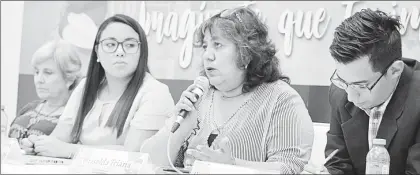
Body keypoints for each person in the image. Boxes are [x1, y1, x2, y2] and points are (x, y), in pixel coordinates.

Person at [140, 7, 314, 173]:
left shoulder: (281, 99)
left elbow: (289, 168)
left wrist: (232, 166)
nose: (208, 55)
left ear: (246, 53)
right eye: (205, 46)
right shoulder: (200, 96)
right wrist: (178, 131)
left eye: (218, 45)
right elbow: (147, 163)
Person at [19, 14, 175, 158]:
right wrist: (38, 145)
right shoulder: (85, 87)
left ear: (142, 52)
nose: (120, 51)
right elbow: (59, 138)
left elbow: (134, 155)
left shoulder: (155, 93)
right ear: (97, 52)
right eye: (110, 44)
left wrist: (69, 151)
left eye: (130, 45)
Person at [322, 9, 420, 175]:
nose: (351, 97)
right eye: (344, 82)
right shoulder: (340, 92)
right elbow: (337, 163)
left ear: (395, 71)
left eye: (361, 86)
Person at [9, 39, 83, 141]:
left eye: (48, 73)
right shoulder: (30, 107)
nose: (39, 80)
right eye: (36, 72)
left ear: (69, 78)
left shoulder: (73, 117)